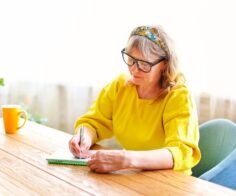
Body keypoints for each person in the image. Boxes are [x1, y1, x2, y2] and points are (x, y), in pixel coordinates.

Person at [68, 25, 201, 175]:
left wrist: (126, 159)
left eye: (144, 64)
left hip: (171, 180)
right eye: (131, 59)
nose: (134, 70)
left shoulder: (178, 96)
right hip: (134, 173)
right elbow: (94, 122)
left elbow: (181, 152)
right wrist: (84, 137)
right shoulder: (121, 86)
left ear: (164, 64)